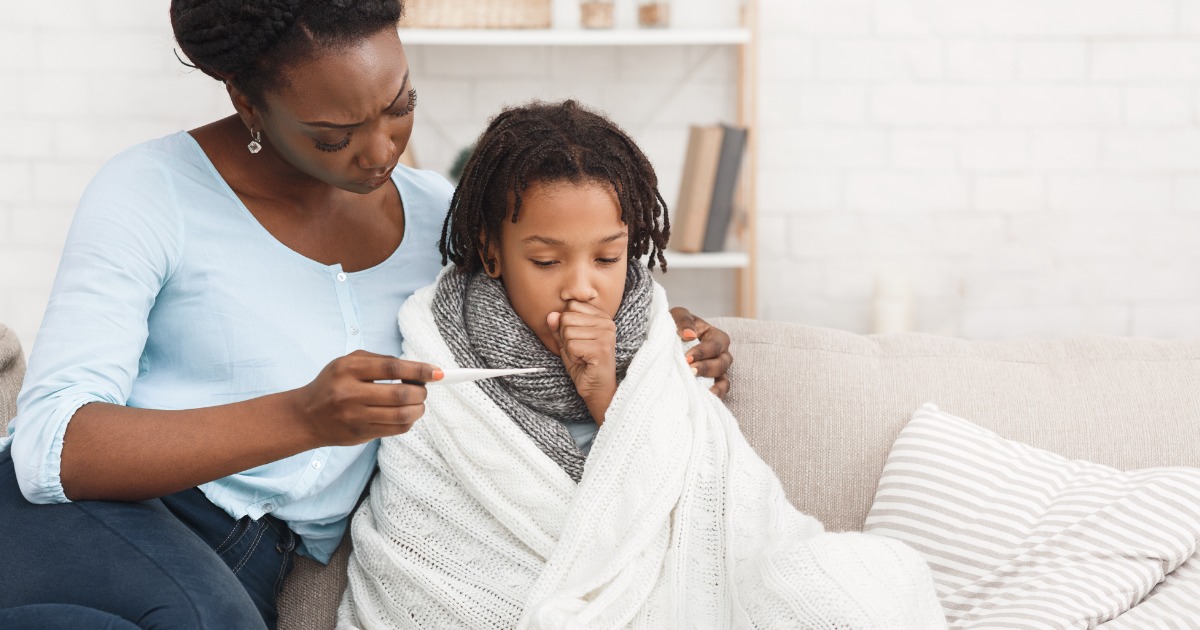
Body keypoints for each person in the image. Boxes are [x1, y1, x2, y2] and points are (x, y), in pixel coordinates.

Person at [0, 2, 733, 628]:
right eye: (333, 134)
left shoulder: (443, 223)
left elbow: (554, 310)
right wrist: (302, 417)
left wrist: (663, 341)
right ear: (247, 102)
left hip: (257, 559)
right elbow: (50, 447)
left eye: (400, 107)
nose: (380, 150)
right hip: (99, 517)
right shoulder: (150, 192)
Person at [338, 100, 946, 629]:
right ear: (493, 253)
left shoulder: (658, 336)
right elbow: (427, 539)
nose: (583, 288)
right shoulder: (437, 347)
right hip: (521, 593)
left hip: (662, 590)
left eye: (607, 257)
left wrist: (607, 390)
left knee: (870, 584)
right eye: (547, 262)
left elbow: (708, 502)